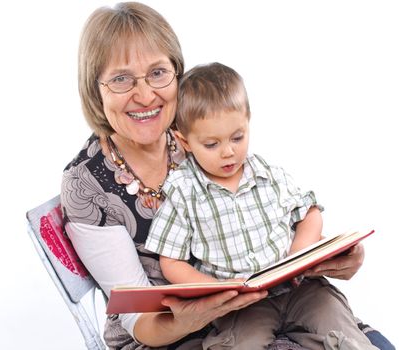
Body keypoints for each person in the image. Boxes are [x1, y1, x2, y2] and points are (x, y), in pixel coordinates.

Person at [60, 2, 394, 350]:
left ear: (177, 73)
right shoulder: (86, 185)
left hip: (261, 305)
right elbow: (138, 319)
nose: (145, 96)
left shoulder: (199, 133)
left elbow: (266, 212)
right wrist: (195, 315)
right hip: (167, 337)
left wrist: (327, 256)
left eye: (158, 73)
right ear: (94, 88)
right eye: (121, 79)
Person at [144, 62, 379, 350]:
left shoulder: (267, 173)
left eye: (237, 137)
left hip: (300, 289)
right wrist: (213, 289)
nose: (228, 151)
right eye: (212, 144)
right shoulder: (183, 191)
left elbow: (310, 213)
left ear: (248, 121)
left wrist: (299, 254)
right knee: (239, 344)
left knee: (344, 333)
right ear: (185, 141)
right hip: (241, 305)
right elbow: (171, 262)